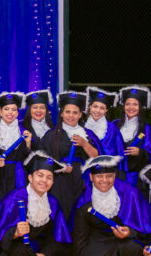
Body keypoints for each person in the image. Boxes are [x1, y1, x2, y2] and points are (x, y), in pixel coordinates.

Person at [72, 155, 151, 256]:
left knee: (132, 247)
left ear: (114, 176)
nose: (104, 180)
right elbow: (80, 239)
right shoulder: (84, 201)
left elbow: (143, 228)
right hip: (98, 245)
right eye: (99, 176)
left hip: (123, 242)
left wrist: (130, 232)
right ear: (91, 177)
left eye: (109, 176)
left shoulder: (129, 195)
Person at [0, 152, 70, 256]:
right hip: (14, 252)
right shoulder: (13, 199)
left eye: (49, 177)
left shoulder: (53, 203)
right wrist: (15, 233)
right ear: (30, 177)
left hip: (37, 252)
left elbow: (54, 237)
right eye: (40, 175)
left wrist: (44, 254)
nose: (44, 181)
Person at [41, 91, 104, 223]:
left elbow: (97, 157)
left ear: (80, 115)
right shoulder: (51, 135)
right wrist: (59, 168)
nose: (71, 116)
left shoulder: (88, 134)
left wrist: (84, 143)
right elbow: (43, 160)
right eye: (67, 112)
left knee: (81, 212)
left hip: (82, 179)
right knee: (62, 212)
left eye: (75, 113)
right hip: (59, 179)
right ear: (62, 113)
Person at [0, 92, 34, 211]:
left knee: (16, 211)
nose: (10, 112)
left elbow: (30, 162)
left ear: (17, 113)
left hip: (18, 177)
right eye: (6, 109)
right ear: (0, 112)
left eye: (13, 109)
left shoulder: (24, 133)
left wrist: (28, 144)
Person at [114, 85, 151, 189]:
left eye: (135, 104)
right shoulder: (114, 125)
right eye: (128, 104)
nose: (131, 107)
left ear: (140, 107)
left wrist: (140, 152)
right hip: (115, 176)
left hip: (137, 179)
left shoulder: (147, 130)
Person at [84, 87, 125, 161]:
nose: (98, 111)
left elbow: (119, 154)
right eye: (95, 106)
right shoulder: (81, 127)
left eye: (102, 108)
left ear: (106, 111)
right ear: (90, 107)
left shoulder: (112, 129)